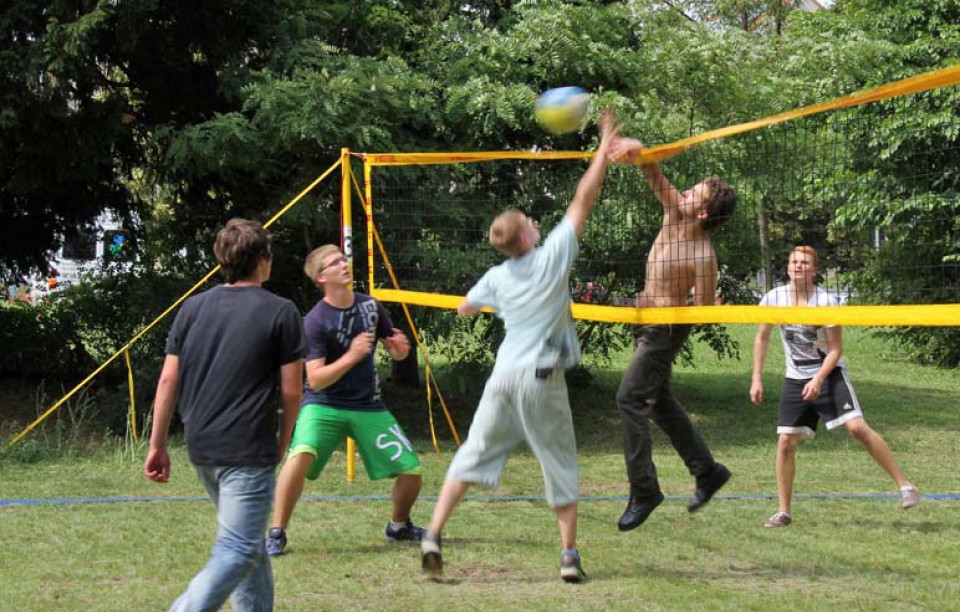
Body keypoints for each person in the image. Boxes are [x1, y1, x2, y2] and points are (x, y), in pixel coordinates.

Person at [420, 110, 620, 584]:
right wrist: (603, 145)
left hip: (503, 374)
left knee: (471, 454)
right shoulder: (552, 255)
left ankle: (432, 533)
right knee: (560, 461)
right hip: (540, 374)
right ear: (529, 236)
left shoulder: (495, 276)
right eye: (531, 221)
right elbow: (583, 198)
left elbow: (465, 307)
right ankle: (569, 556)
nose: (536, 222)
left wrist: (487, 303)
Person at [144, 218, 306, 612]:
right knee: (236, 551)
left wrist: (157, 444)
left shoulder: (192, 308)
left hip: (202, 448)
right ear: (263, 260)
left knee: (248, 544)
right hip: (247, 451)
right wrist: (284, 441)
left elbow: (167, 381)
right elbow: (293, 392)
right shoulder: (281, 311)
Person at [608, 137, 737, 531]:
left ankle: (644, 490)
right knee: (659, 400)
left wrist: (697, 307)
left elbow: (704, 309)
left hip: (663, 330)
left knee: (630, 399)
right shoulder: (672, 212)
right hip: (644, 319)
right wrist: (636, 149)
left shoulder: (704, 255)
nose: (683, 191)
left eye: (692, 192)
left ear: (701, 213)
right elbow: (651, 169)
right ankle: (707, 470)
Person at [266, 244, 424, 556]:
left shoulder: (371, 307)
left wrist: (399, 350)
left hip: (368, 405)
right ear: (321, 278)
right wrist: (352, 356)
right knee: (301, 454)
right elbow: (315, 378)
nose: (344, 264)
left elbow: (395, 346)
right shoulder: (314, 321)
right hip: (323, 404)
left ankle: (399, 526)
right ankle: (277, 532)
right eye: (335, 262)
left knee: (412, 471)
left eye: (343, 259)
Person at [750, 246, 919, 528]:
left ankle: (905, 486)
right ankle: (783, 512)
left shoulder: (826, 301)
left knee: (857, 429)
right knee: (785, 443)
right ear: (787, 267)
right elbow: (762, 338)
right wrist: (756, 377)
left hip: (828, 375)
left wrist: (818, 380)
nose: (798, 266)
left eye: (804, 262)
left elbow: (836, 349)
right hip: (795, 378)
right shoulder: (773, 298)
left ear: (814, 270)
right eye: (794, 261)